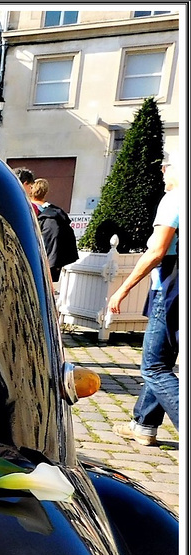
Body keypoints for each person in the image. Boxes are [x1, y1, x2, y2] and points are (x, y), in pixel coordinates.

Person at [108, 156, 180, 445]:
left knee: (153, 367)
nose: (162, 171)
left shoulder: (174, 198)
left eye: (166, 165)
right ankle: (144, 425)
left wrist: (122, 290)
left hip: (169, 287)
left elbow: (156, 252)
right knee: (162, 361)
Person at [31, 178, 80, 282]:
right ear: (46, 192)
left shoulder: (29, 210)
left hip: (36, 265)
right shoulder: (57, 214)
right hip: (55, 265)